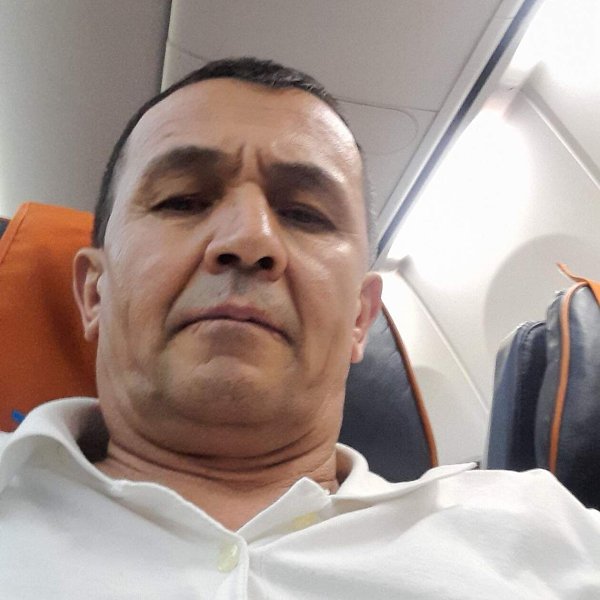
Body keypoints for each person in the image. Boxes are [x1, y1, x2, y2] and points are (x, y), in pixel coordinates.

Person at [1, 57, 599, 599]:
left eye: (304, 214)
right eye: (183, 200)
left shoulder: (544, 536)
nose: (249, 240)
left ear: (360, 317)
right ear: (93, 293)